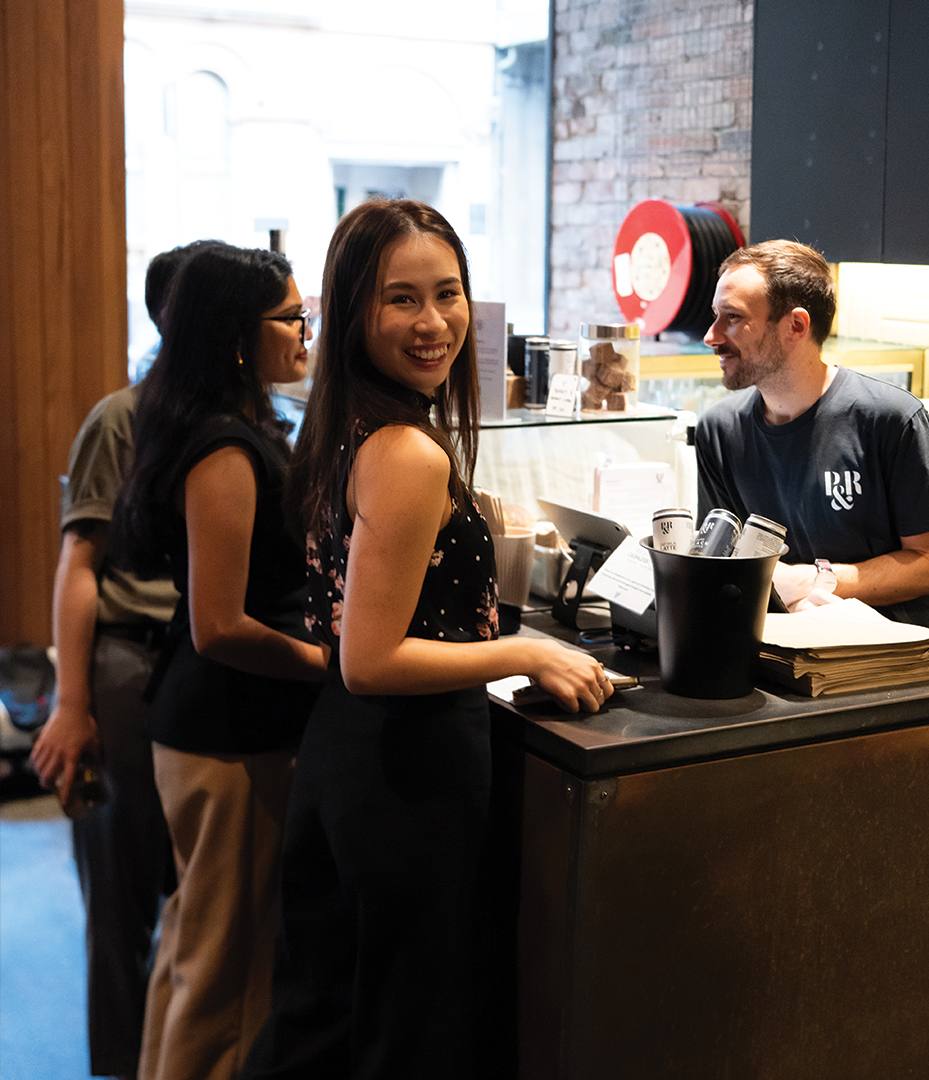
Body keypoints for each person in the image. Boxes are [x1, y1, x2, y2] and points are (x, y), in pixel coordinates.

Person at [241, 200, 612, 1080]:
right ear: (353, 311)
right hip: (403, 768)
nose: (433, 322)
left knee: (332, 1018)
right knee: (403, 1037)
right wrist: (530, 651)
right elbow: (375, 658)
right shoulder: (407, 451)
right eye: (400, 299)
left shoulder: (347, 425)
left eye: (447, 294)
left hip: (348, 755)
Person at [113, 242, 327, 1080]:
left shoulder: (229, 424)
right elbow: (220, 624)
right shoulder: (225, 448)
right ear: (241, 335)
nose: (308, 330)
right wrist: (330, 662)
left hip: (216, 727)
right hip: (229, 733)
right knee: (226, 979)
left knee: (192, 954)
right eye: (291, 317)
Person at [29, 242, 205, 1080]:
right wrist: (71, 703)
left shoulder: (233, 423)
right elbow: (80, 563)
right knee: (121, 895)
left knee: (188, 899)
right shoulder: (122, 418)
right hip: (126, 669)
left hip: (197, 671)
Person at [694, 239, 929, 648]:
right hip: (788, 651)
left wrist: (817, 580)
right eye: (716, 316)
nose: (711, 336)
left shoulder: (890, 418)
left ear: (796, 326)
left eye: (732, 318)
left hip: (902, 656)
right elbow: (722, 560)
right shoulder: (720, 429)